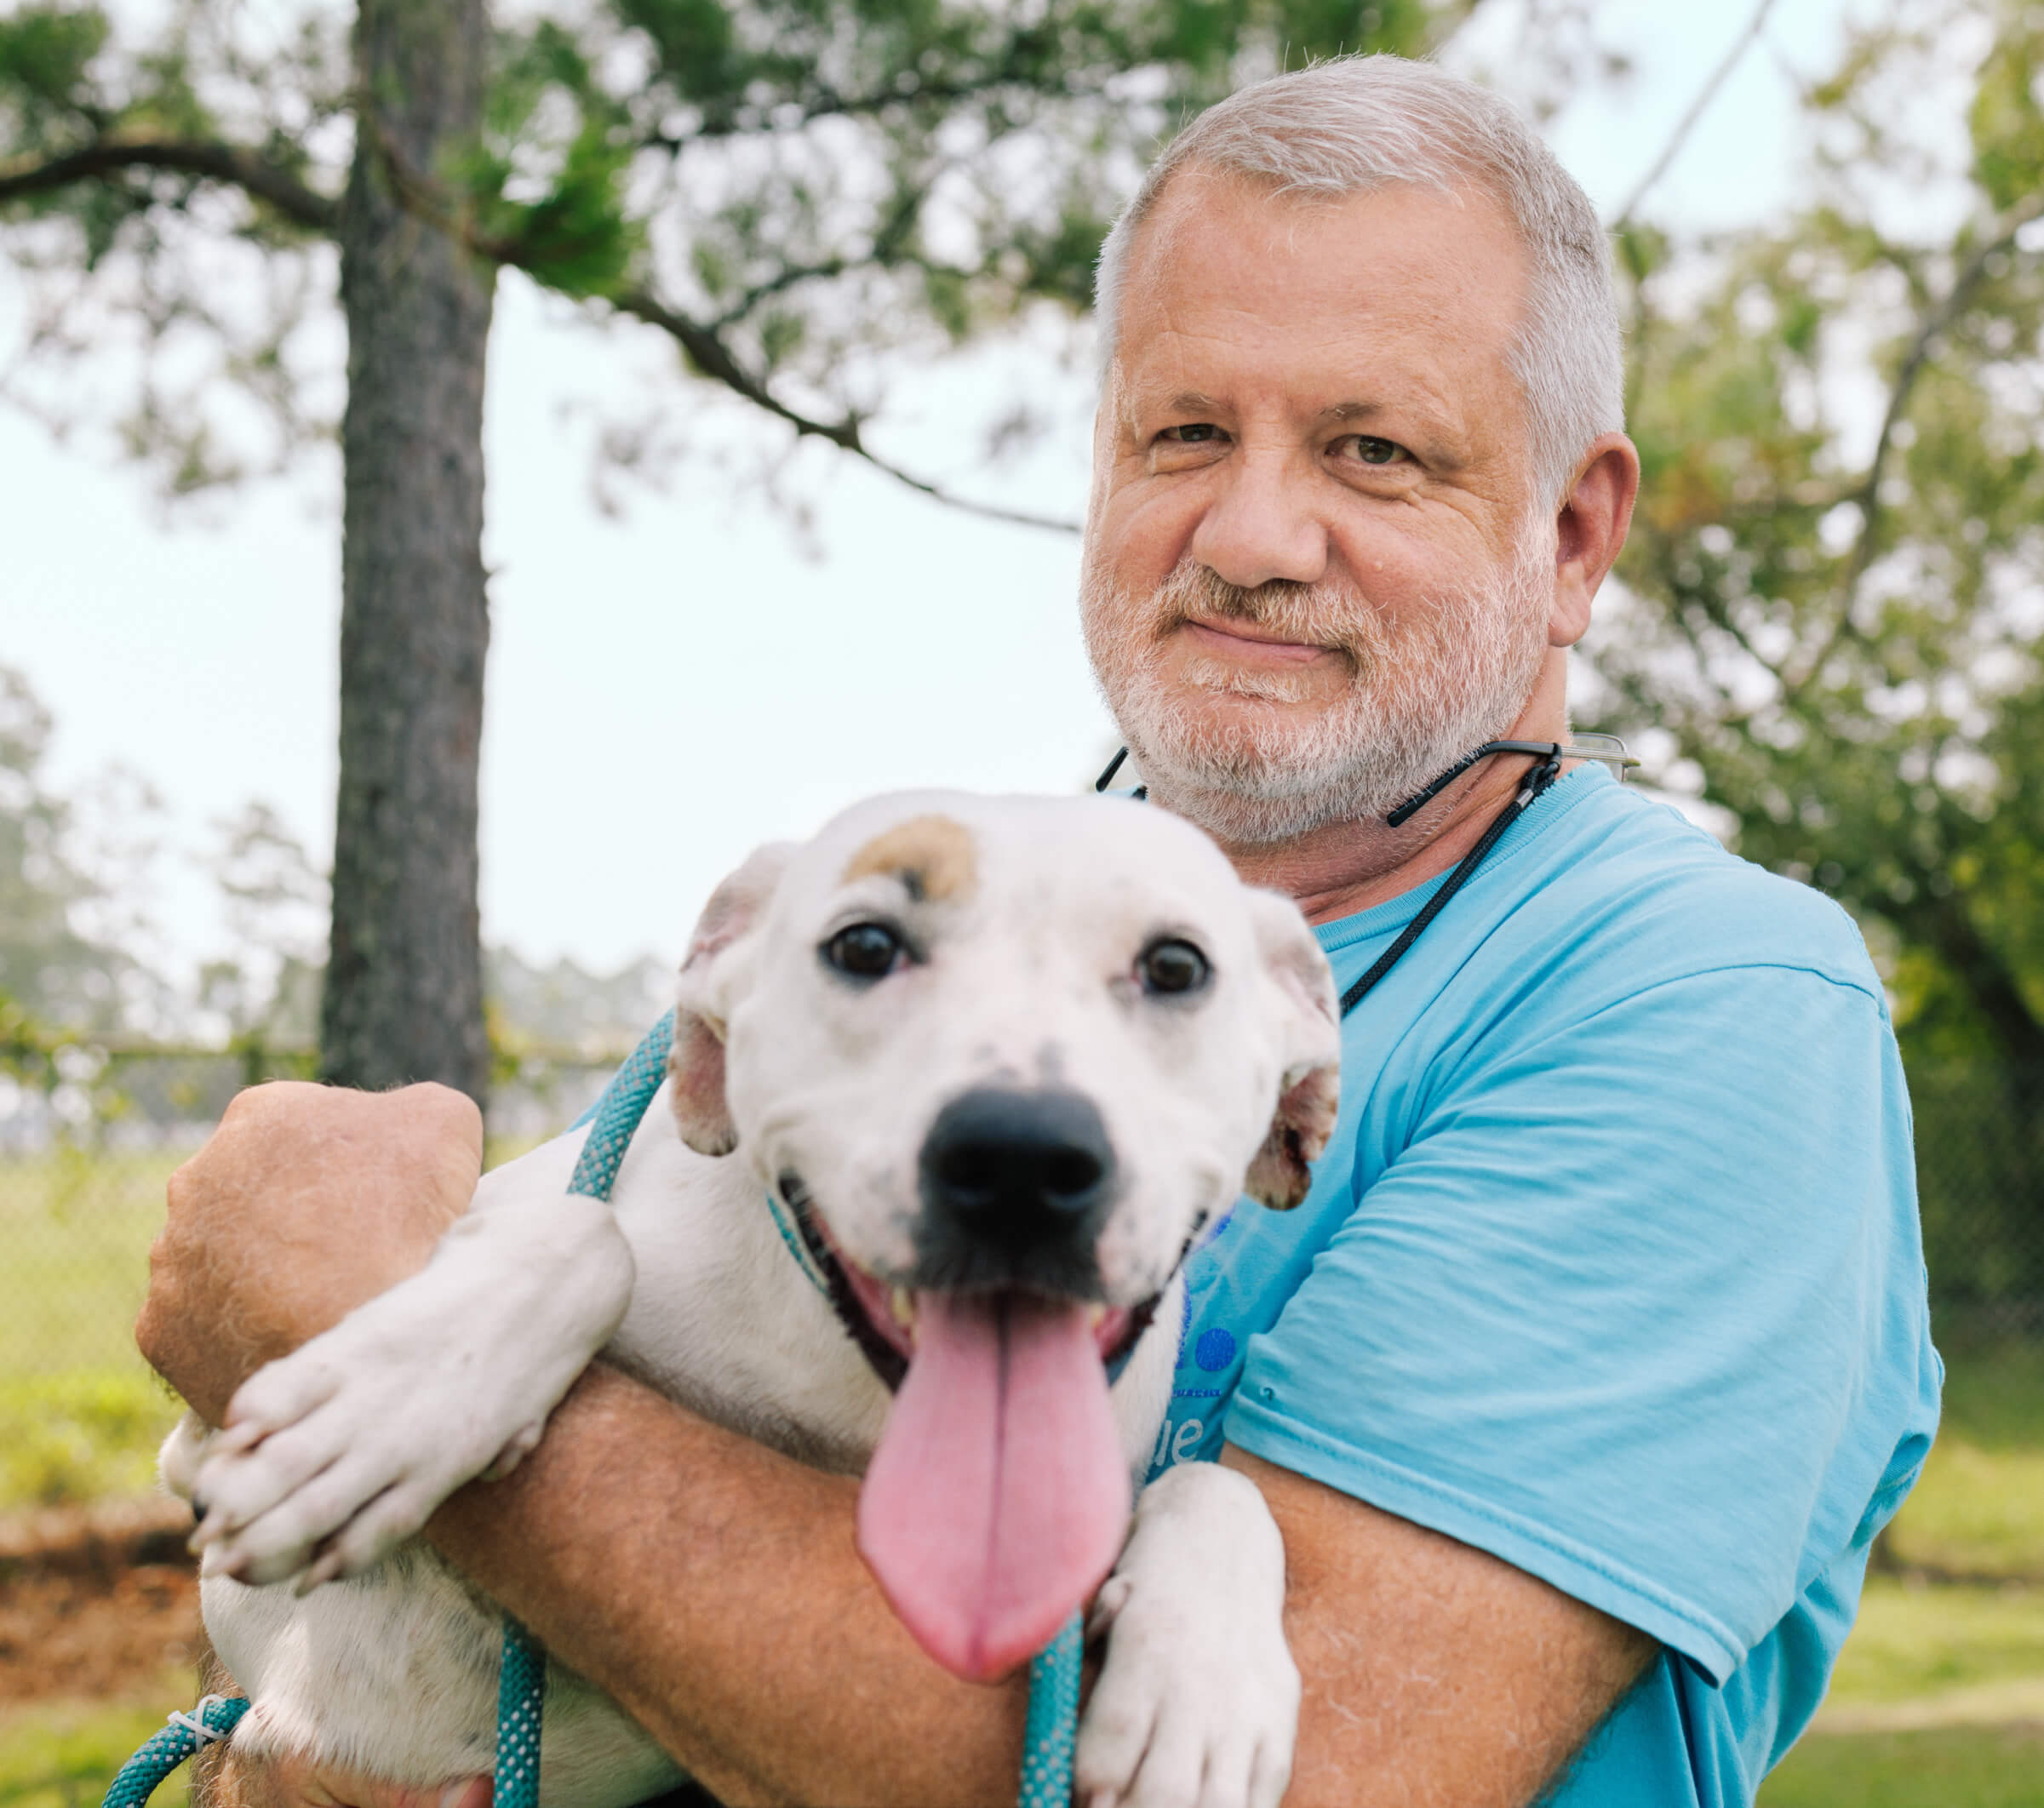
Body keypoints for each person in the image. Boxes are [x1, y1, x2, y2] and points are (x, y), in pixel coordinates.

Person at [139, 55, 1939, 1808]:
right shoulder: (899, 922)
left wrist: (371, 1338)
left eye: (1373, 452)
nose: (1246, 534)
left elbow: (1322, 1783)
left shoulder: (1703, 1003)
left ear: (1569, 534)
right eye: (1180, 434)